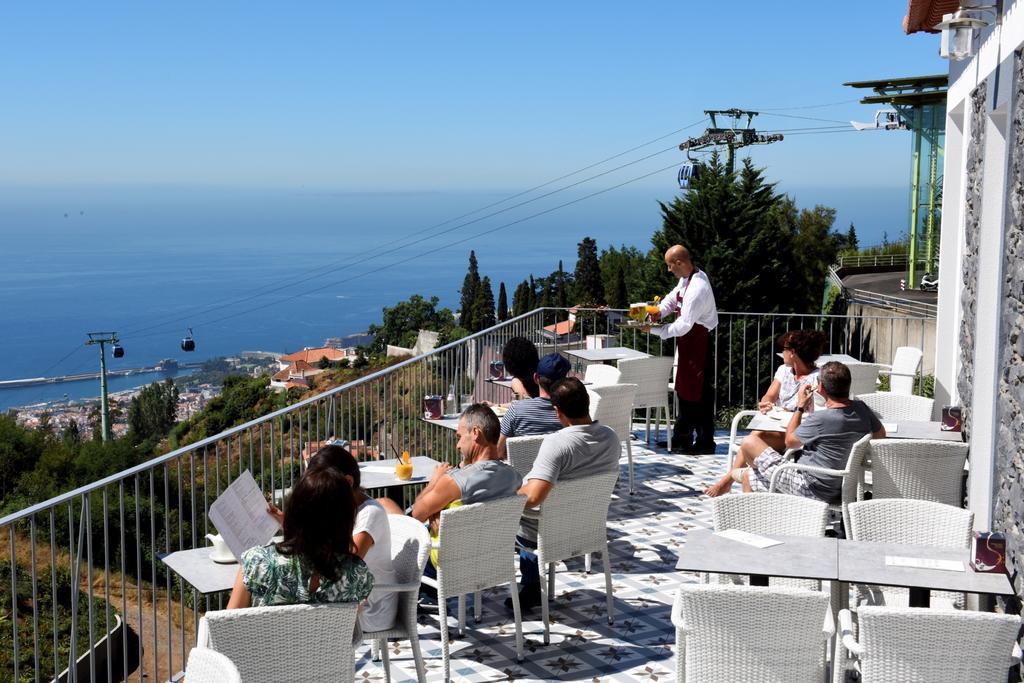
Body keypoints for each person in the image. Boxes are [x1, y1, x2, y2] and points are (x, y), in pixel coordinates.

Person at [509, 377, 620, 610]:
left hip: (551, 528)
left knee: (514, 519)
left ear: (557, 411)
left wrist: (509, 497)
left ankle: (530, 587)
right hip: (589, 525)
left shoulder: (558, 444)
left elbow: (534, 498)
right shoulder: (611, 437)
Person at [227, 466, 374, 610]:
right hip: (323, 635)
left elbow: (228, 625)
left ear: (294, 511)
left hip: (268, 635)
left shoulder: (256, 563)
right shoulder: (357, 573)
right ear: (346, 521)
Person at [736, 361, 885, 501]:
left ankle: (740, 480)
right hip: (844, 486)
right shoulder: (861, 408)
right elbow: (880, 434)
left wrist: (800, 406)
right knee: (749, 476)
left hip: (810, 487)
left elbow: (790, 442)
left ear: (820, 388)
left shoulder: (821, 419)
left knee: (749, 442)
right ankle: (748, 475)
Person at [704, 329, 826, 496]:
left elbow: (815, 412)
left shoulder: (816, 378)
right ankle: (732, 479)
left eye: (784, 349)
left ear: (793, 353)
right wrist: (766, 403)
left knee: (753, 438)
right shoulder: (784, 370)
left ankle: (728, 479)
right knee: (756, 434)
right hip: (777, 425)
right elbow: (769, 395)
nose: (781, 352)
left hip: (795, 431)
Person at [378, 403, 522, 525]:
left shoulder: (454, 482)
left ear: (476, 433)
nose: (458, 445)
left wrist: (435, 481)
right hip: (493, 553)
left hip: (443, 556)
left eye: (459, 437)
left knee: (383, 503)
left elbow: (416, 516)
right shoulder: (514, 477)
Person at [306, 445, 398, 633]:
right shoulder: (344, 508)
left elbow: (345, 565)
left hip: (372, 610)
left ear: (347, 482)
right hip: (352, 600)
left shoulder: (370, 514)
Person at [644, 244, 719, 454]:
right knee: (685, 390)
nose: (669, 270)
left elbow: (684, 325)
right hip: (689, 342)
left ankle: (705, 442)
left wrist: (654, 330)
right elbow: (672, 298)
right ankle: (682, 437)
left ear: (680, 263)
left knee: (700, 394)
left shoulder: (697, 289)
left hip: (699, 342)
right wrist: (658, 312)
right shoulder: (687, 278)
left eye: (670, 265)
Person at [497, 352, 571, 459]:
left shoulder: (516, 410)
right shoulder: (571, 412)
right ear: (564, 381)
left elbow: (498, 452)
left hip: (522, 474)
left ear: (536, 378)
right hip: (560, 473)